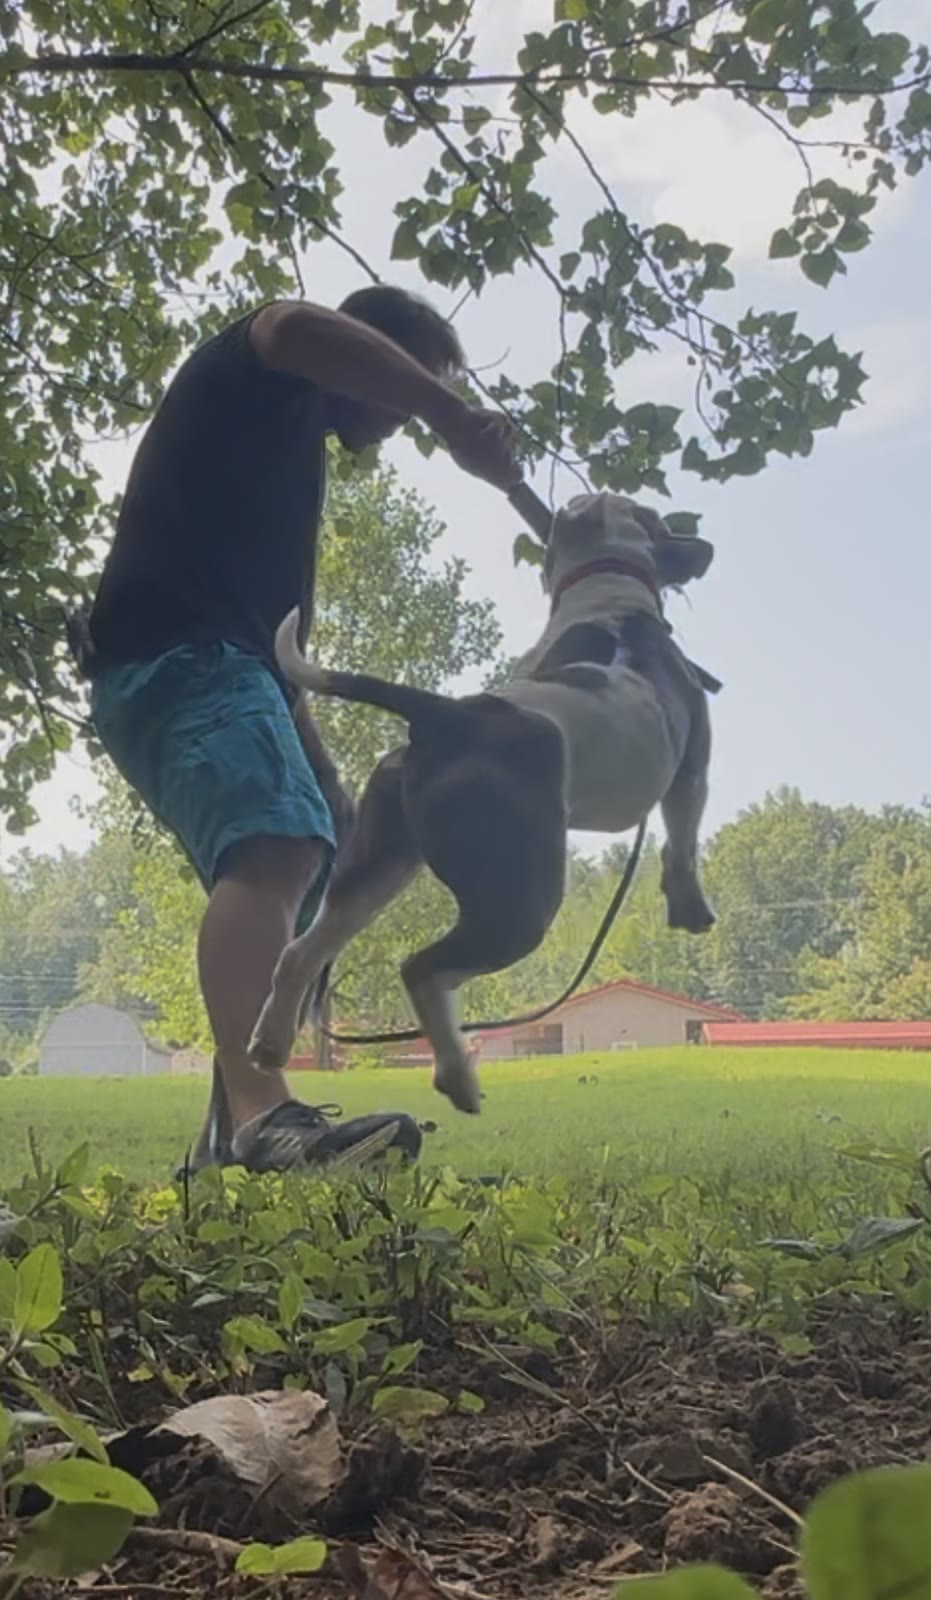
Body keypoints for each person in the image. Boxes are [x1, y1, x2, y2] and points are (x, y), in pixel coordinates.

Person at [84, 287, 520, 1174]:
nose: (403, 415)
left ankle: (220, 1144)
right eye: (408, 383)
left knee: (301, 846)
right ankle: (263, 1120)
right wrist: (454, 416)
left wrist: (327, 780)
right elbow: (294, 326)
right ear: (367, 349)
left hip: (217, 664)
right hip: (177, 653)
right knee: (276, 846)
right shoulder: (262, 365)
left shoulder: (284, 462)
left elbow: (274, 654)